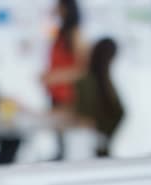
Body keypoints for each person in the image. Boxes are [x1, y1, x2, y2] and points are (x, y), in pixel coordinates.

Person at [41, 0, 89, 160]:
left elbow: (83, 70)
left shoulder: (75, 33)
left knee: (66, 146)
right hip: (56, 95)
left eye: (59, 7)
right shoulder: (60, 32)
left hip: (68, 97)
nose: (55, 9)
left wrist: (56, 77)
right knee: (59, 142)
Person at [75, 37, 124, 157]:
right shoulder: (105, 82)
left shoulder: (88, 81)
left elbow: (83, 119)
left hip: (91, 150)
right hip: (101, 150)